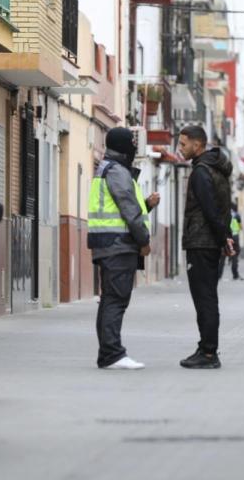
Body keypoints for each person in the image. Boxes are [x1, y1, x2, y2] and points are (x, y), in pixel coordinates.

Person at [88, 128, 160, 370]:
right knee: (116, 300)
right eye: (131, 143)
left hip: (108, 244)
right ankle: (112, 354)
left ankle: (108, 353)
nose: (133, 147)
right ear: (123, 146)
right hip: (117, 246)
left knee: (110, 299)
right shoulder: (117, 171)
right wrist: (144, 240)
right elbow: (128, 210)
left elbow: (126, 208)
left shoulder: (109, 169)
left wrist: (147, 205)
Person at [177, 125, 234, 369]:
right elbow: (223, 208)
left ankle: (209, 353)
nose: (180, 149)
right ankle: (205, 347)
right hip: (209, 242)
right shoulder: (216, 169)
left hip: (201, 243)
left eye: (183, 144)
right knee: (207, 297)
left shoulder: (201, 172)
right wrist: (226, 237)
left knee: (205, 299)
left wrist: (223, 239)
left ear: (197, 145)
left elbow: (211, 210)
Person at [219, 202, 244, 281]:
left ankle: (219, 275)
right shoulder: (236, 215)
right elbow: (240, 226)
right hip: (235, 237)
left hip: (225, 237)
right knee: (234, 256)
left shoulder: (223, 214)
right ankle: (235, 274)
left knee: (222, 257)